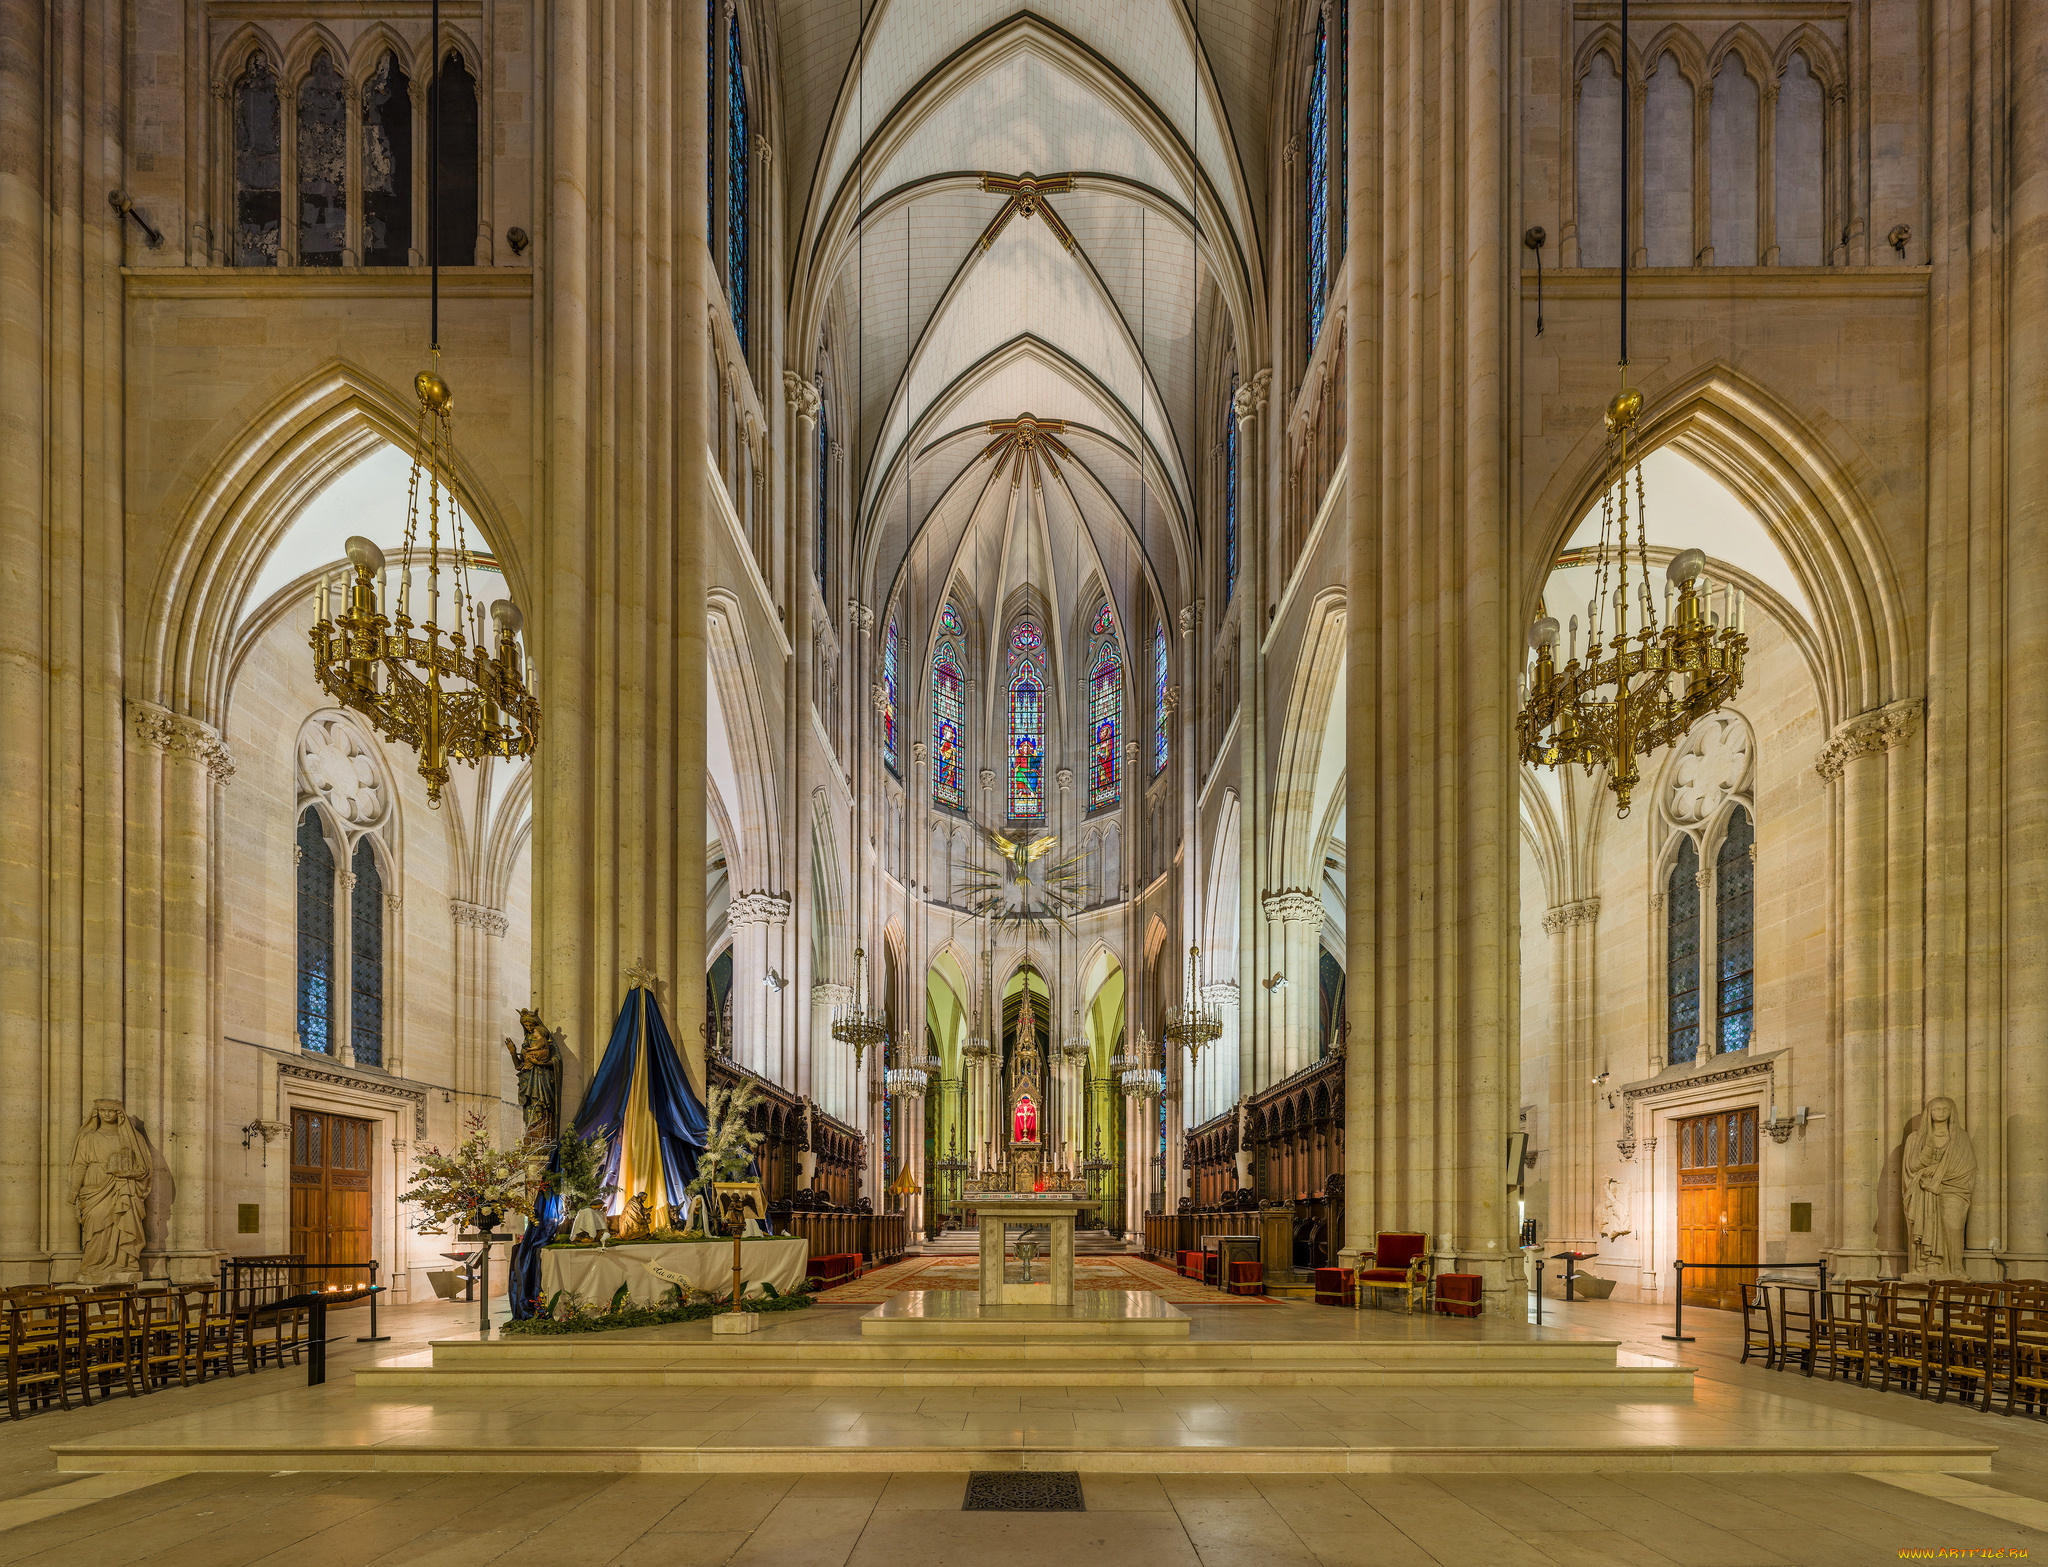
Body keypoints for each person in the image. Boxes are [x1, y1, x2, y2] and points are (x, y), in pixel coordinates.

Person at [70, 1101, 152, 1284]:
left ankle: (122, 1263)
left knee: (121, 1223)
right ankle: (93, 1264)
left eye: (111, 1111)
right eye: (103, 1111)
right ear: (96, 1112)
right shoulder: (87, 1137)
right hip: (94, 1186)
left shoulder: (132, 1138)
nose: (107, 1115)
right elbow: (79, 1164)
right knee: (95, 1222)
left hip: (122, 1186)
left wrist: (124, 1171)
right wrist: (74, 1190)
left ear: (119, 1113)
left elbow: (143, 1168)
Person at [1902, 1096, 1975, 1278]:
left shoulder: (1961, 1138)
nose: (1940, 1112)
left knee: (1954, 1225)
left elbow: (1968, 1166)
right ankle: (1925, 1267)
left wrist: (1938, 1171)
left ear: (1952, 1112)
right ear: (1929, 1112)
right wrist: (1927, 1149)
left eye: (1945, 1109)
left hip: (1953, 1188)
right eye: (1936, 1109)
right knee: (1925, 1223)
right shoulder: (1915, 1138)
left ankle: (1955, 1267)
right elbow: (1912, 1166)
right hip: (1923, 1190)